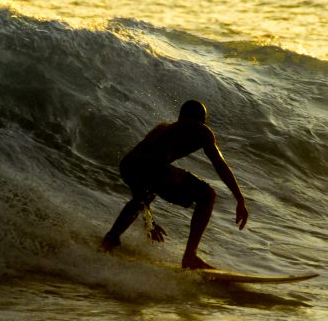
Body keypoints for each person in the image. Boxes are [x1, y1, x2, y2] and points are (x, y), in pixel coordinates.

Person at [101, 100, 248, 269]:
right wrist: (240, 199)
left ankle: (108, 242)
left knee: (143, 197)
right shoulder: (200, 131)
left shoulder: (166, 129)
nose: (189, 125)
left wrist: (150, 221)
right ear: (200, 120)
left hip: (130, 165)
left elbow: (139, 176)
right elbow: (219, 165)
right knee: (207, 195)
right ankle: (190, 257)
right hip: (144, 165)